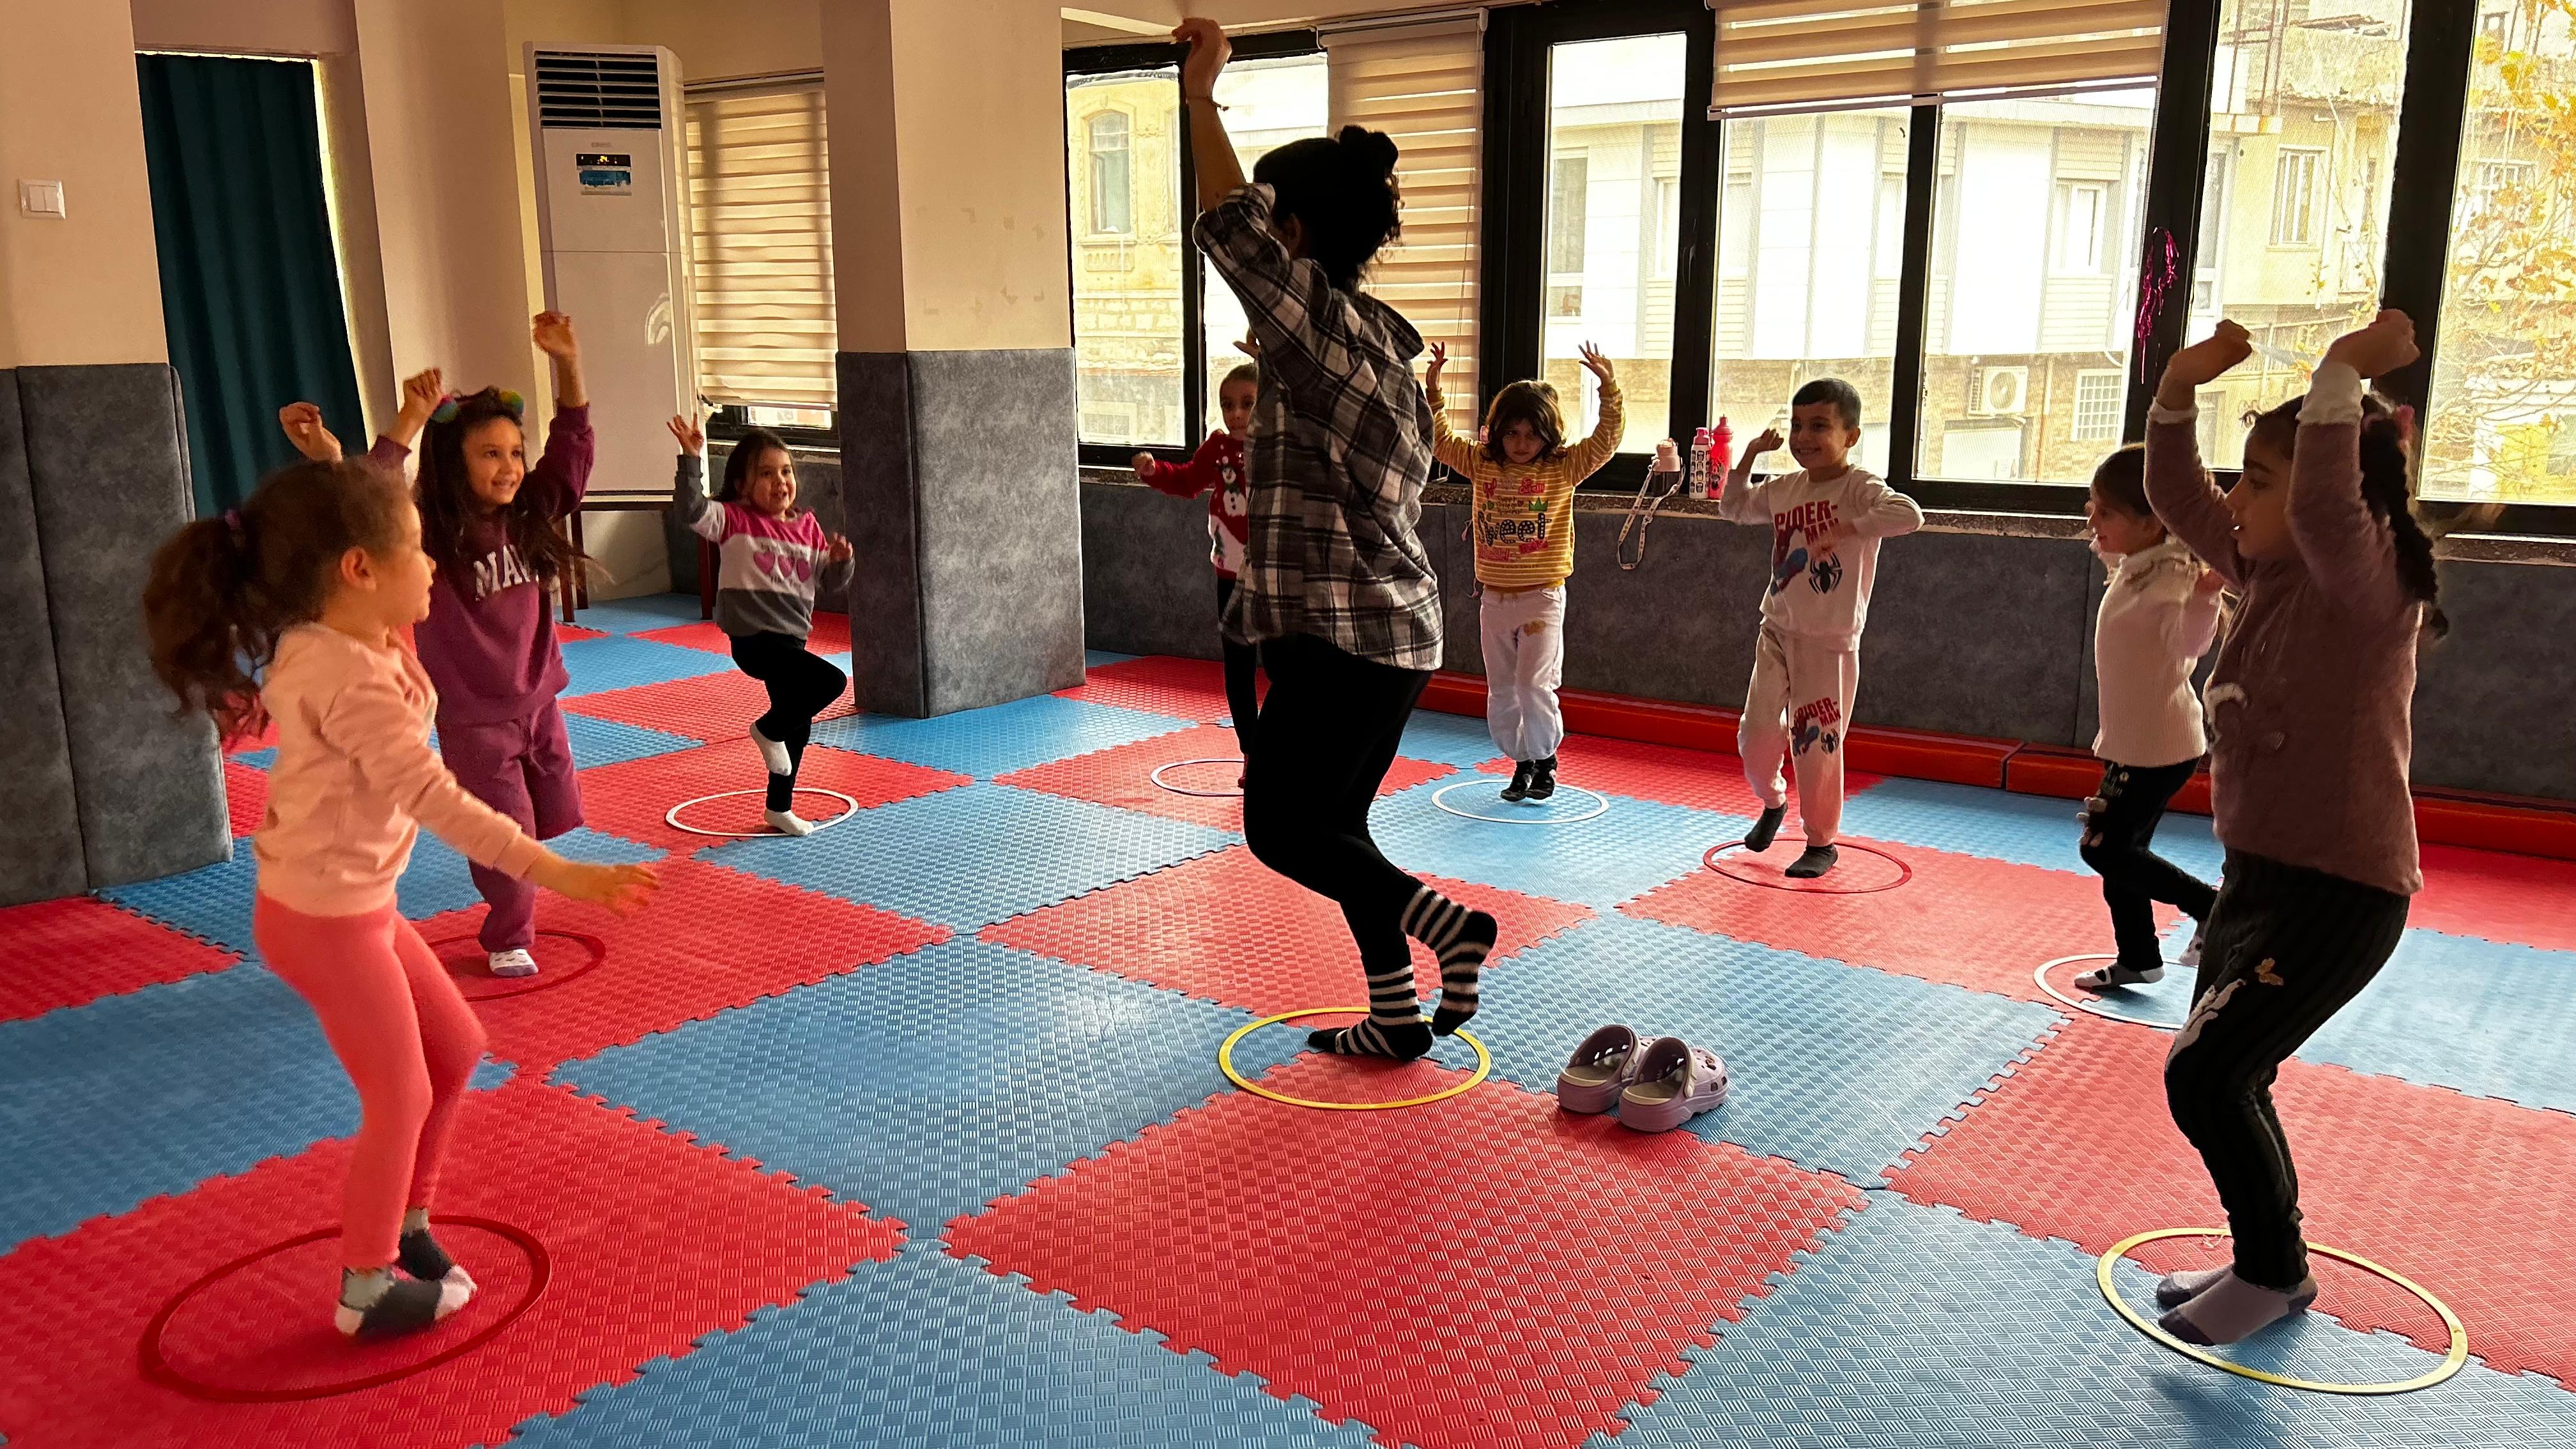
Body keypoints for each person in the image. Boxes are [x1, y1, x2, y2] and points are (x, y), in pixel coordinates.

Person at [142, 461, 657, 1338]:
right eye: (417, 549)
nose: (433, 565)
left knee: (455, 1051)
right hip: (323, 921)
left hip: (360, 906)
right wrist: (559, 872)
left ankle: (406, 1221)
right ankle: (365, 1287)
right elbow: (435, 796)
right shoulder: (348, 677)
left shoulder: (359, 639)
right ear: (358, 569)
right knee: (400, 1093)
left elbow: (366, 516)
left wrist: (396, 440)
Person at [1179, 15, 1496, 1061]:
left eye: (1277, 219)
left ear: (1297, 230)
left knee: (1278, 826)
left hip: (1342, 632)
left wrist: (1201, 95)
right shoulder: (1375, 345)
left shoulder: (1316, 328)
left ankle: (1449, 928)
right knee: (1337, 827)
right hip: (1393, 632)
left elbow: (1230, 227)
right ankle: (1396, 1015)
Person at [2142, 310, 2444, 1346]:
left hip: (2340, 890)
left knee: (2207, 1075)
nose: (2235, 501)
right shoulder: (2264, 570)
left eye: (2258, 481)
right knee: (2228, 1074)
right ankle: (2267, 1263)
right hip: (2256, 878)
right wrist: (2176, 388)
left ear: (2336, 493)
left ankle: (2271, 1274)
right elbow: (2176, 494)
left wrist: (2339, 369)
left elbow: (2319, 505)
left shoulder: (2367, 589)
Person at [280, 314, 596, 979]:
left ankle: (514, 887)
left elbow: (571, 453)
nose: (509, 468)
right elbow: (370, 498)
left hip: (541, 701)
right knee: (508, 834)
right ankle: (509, 934)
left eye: (515, 453)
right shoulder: (431, 532)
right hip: (474, 716)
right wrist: (410, 419)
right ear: (456, 463)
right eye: (490, 455)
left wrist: (568, 365)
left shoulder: (529, 514)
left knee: (553, 816)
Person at [1718, 379, 1924, 878]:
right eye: (1797, 426)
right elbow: (1733, 507)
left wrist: (1849, 527)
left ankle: (1821, 842)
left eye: (1819, 426)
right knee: (1756, 736)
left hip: (1829, 643)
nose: (1803, 437)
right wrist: (1748, 456)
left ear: (1851, 436)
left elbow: (1910, 515)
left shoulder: (1859, 487)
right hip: (1777, 630)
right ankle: (1773, 801)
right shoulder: (1786, 488)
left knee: (1816, 745)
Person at [1425, 341, 1623, 802]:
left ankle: (1544, 759)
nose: (1520, 444)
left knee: (1534, 685)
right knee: (1503, 689)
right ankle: (1522, 762)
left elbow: (1606, 441)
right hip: (1494, 598)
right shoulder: (1482, 464)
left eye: (1531, 435)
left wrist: (1609, 389)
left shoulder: (1563, 468)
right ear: (1496, 433)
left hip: (1542, 598)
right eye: (1512, 433)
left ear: (1548, 436)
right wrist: (1434, 391)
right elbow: (1439, 439)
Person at [2075, 445, 2225, 991]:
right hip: (2133, 741)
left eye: (2106, 512)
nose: (2093, 521)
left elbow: (2191, 644)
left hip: (2159, 748)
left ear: (2151, 522)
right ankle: (2139, 958)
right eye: (2092, 507)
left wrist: (2207, 594)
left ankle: (2211, 908)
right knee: (2121, 857)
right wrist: (2107, 522)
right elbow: (2111, 549)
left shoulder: (2172, 578)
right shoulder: (2138, 563)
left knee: (2103, 849)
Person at [668, 417, 855, 832]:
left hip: (793, 641)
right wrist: (691, 458)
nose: (780, 482)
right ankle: (767, 730)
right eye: (766, 474)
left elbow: (829, 582)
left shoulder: (808, 528)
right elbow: (690, 510)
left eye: (786, 471)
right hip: (755, 641)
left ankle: (778, 807)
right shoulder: (733, 519)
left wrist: (842, 563)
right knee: (832, 682)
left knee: (799, 726)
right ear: (742, 486)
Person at [1133, 362, 1262, 765]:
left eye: (1248, 404)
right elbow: (1188, 480)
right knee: (1238, 667)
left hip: (1275, 575)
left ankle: (1281, 752)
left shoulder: (1278, 447)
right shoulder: (1219, 448)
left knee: (1286, 668)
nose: (1236, 414)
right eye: (1228, 405)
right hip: (1231, 573)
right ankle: (1253, 752)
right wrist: (1155, 471)